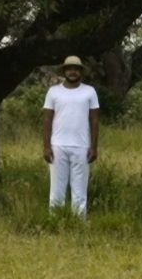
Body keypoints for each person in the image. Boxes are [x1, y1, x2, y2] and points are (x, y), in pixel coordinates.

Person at [42, 55, 100, 216]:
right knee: (56, 189)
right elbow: (47, 120)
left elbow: (94, 121)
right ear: (64, 71)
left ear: (80, 72)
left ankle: (79, 224)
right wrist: (46, 147)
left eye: (76, 69)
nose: (72, 72)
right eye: (69, 69)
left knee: (79, 190)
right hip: (57, 146)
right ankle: (55, 221)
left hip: (82, 146)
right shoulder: (53, 92)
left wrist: (94, 147)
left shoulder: (89, 91)